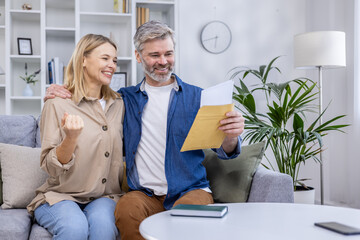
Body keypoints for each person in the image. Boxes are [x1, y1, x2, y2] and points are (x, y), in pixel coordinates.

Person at [45, 21, 245, 240]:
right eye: (154, 55)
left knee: (184, 220)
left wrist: (231, 136)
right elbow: (92, 101)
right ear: (138, 57)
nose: (163, 61)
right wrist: (59, 89)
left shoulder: (198, 97)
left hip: (190, 190)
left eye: (168, 53)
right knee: (125, 211)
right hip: (143, 194)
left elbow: (225, 150)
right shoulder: (123, 99)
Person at [27, 34, 126, 240]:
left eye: (115, 60)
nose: (112, 65)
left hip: (104, 196)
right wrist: (70, 138)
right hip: (61, 196)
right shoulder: (57, 103)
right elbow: (50, 166)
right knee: (74, 228)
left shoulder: (120, 104)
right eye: (105, 58)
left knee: (104, 229)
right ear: (83, 59)